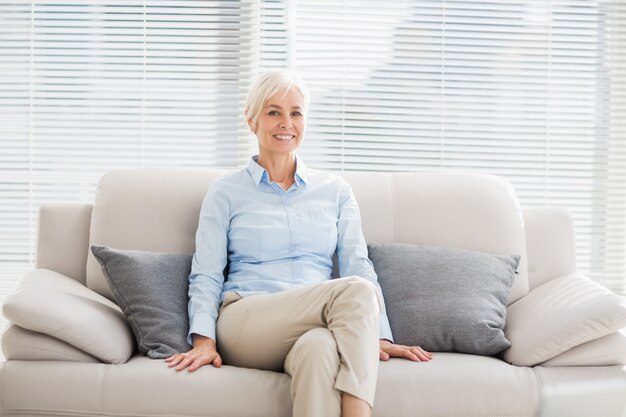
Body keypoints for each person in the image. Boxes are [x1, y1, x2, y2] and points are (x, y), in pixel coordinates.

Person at [165, 69, 432, 417]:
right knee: (358, 291)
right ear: (251, 120)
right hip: (247, 319)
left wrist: (374, 337)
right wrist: (203, 339)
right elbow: (206, 273)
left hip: (314, 326)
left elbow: (357, 263)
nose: (285, 123)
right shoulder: (225, 192)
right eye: (273, 112)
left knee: (319, 350)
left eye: (295, 113)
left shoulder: (335, 191)